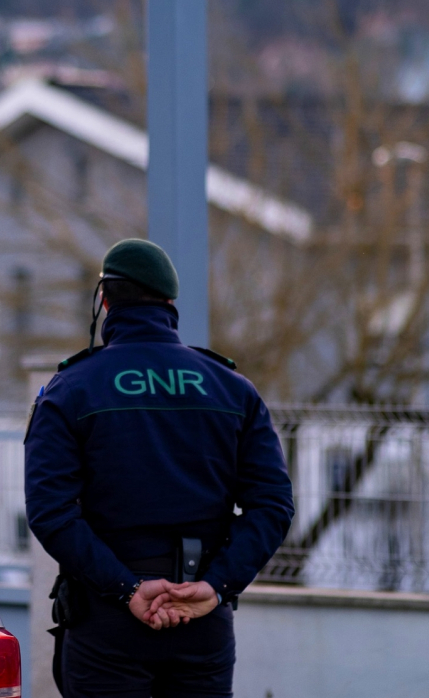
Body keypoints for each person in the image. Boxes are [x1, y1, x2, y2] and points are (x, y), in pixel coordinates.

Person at [24, 238, 294, 698]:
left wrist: (128, 589)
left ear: (105, 301)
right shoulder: (233, 389)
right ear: (170, 302)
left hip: (107, 620)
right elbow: (272, 505)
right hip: (201, 619)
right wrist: (215, 585)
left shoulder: (71, 389)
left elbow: (51, 511)